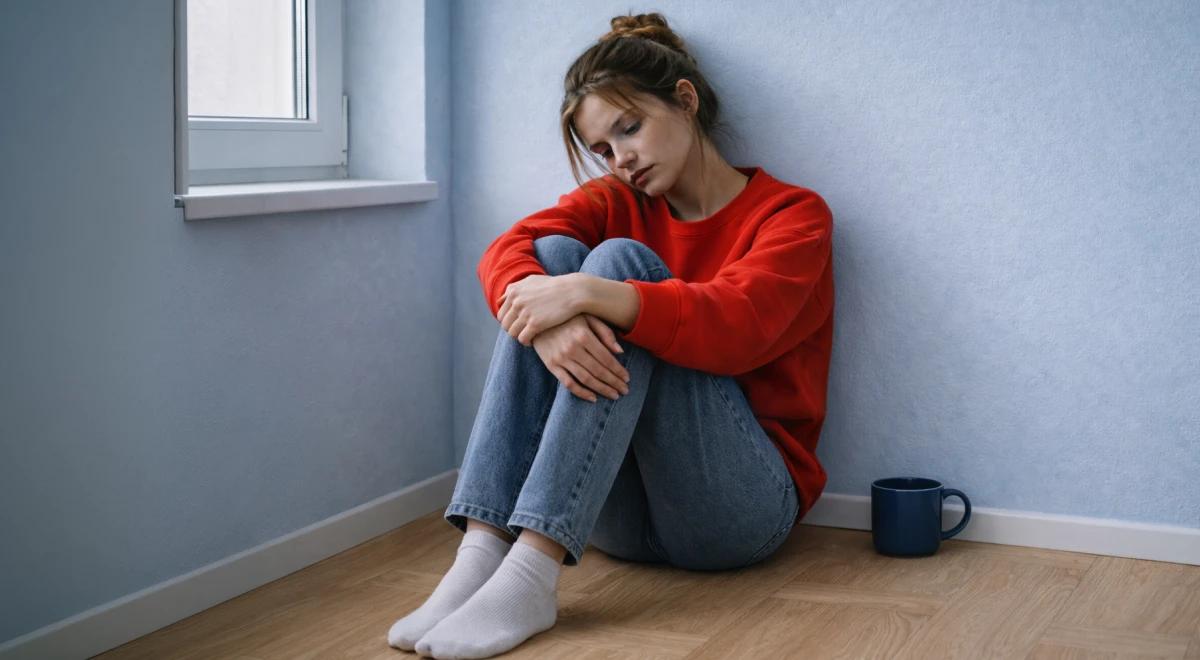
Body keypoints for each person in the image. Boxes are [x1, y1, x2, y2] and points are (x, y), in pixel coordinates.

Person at [388, 11, 835, 659]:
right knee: (552, 257)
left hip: (737, 514)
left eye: (630, 129)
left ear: (685, 101)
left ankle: (530, 575)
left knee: (614, 264)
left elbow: (736, 326)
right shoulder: (616, 200)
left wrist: (592, 295)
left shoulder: (792, 214)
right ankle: (482, 554)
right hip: (610, 519)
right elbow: (507, 252)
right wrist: (549, 329)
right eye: (602, 149)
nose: (620, 159)